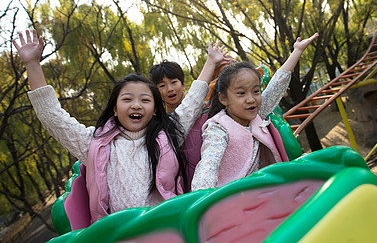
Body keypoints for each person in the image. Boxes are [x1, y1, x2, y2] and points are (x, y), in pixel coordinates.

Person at [12, 29, 227, 227]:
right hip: (120, 233)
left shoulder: (168, 133)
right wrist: (32, 64)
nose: (136, 105)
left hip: (168, 228)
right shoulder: (94, 143)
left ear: (154, 109)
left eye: (145, 99)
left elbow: (193, 101)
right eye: (127, 99)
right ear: (115, 109)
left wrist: (211, 61)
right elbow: (54, 118)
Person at [191, 33, 319, 191]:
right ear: (223, 98)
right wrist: (201, 196)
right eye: (241, 93)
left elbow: (276, 86)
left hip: (264, 187)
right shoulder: (219, 128)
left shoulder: (257, 113)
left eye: (256, 91)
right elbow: (208, 166)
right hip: (233, 197)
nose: (251, 99)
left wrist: (297, 51)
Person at [150, 57, 232, 190]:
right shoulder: (160, 123)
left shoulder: (206, 109)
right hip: (185, 180)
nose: (169, 89)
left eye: (173, 82)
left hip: (216, 172)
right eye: (162, 86)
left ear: (183, 84)